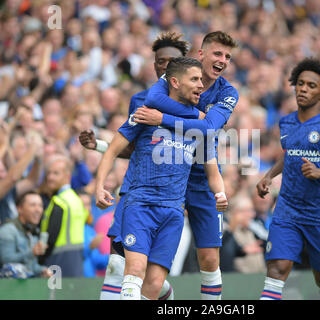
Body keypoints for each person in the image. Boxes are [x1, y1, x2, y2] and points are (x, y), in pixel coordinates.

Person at [95, 56, 227, 300]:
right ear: (175, 82)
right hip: (140, 205)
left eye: (201, 79)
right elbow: (113, 150)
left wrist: (220, 193)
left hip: (173, 212)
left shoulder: (200, 125)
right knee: (134, 270)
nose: (201, 85)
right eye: (195, 79)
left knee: (155, 284)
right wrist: (99, 186)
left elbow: (213, 170)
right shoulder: (146, 113)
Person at [79, 31, 195, 300]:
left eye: (171, 61)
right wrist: (98, 145)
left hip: (170, 202)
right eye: (159, 60)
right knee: (118, 264)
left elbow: (198, 152)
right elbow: (132, 148)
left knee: (150, 279)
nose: (164, 65)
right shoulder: (141, 101)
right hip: (135, 193)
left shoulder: (196, 107)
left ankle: (163, 292)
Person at [133, 30, 239, 300]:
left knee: (208, 258)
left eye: (227, 56)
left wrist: (164, 119)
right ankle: (162, 292)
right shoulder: (178, 73)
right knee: (147, 260)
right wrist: (196, 116)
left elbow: (210, 126)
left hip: (203, 174)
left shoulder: (228, 92)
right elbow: (153, 100)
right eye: (217, 53)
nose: (223, 60)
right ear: (201, 54)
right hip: (166, 172)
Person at [256, 57, 320, 300]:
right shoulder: (286, 122)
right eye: (300, 83)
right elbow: (290, 155)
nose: (303, 88)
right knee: (276, 269)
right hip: (287, 209)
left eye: (311, 85)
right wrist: (269, 175)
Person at [39, 154, 89, 277]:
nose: (50, 177)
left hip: (58, 262)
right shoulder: (76, 200)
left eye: (56, 173)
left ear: (67, 176)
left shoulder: (59, 202)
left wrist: (41, 258)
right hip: (76, 260)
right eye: (49, 173)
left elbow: (51, 238)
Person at [0, 191, 52, 278]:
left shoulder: (32, 232)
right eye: (33, 205)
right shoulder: (7, 231)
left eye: (40, 206)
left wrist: (43, 271)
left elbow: (30, 267)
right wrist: (32, 252)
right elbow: (7, 261)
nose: (38, 210)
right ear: (19, 208)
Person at [0, 132, 43, 224]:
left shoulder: (8, 191)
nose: (2, 176)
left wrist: (38, 160)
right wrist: (32, 149)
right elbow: (13, 178)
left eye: (3, 171)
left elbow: (31, 181)